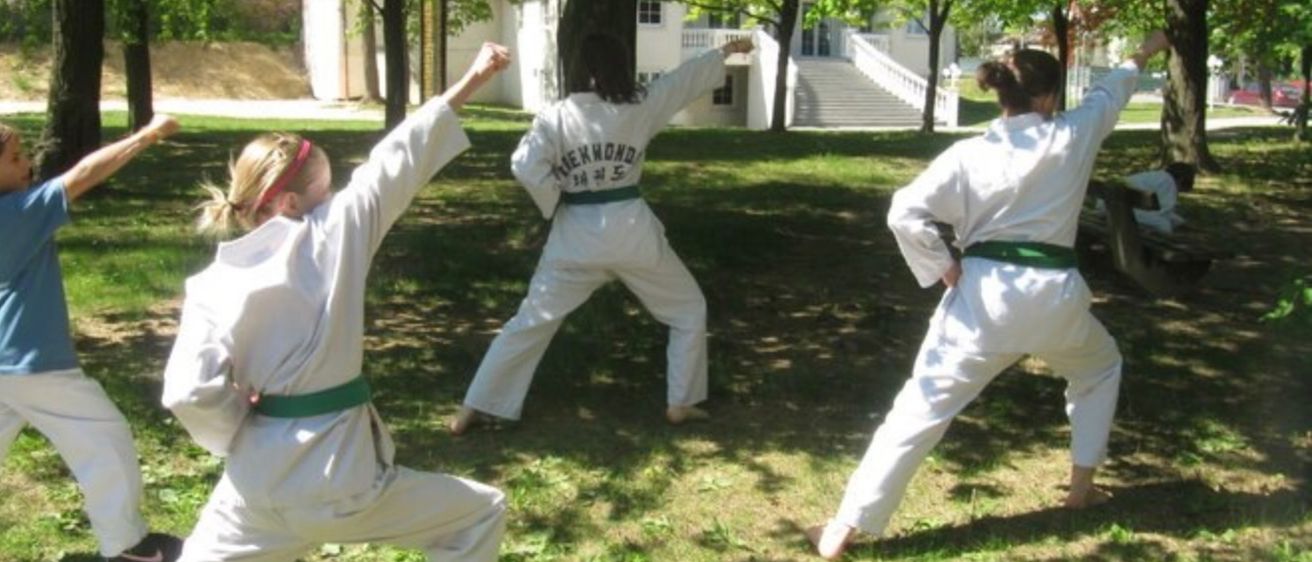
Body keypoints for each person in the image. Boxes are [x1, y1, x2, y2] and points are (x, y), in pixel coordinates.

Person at [806, 31, 1173, 559]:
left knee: (919, 409)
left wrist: (943, 267)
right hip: (1057, 301)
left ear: (1003, 94)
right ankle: (1081, 488)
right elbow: (1111, 89)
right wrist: (1147, 48)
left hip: (984, 302)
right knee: (1099, 367)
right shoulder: (1072, 135)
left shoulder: (968, 154)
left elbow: (903, 213)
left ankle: (843, 529)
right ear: (1049, 97)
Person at [161, 43, 512, 562]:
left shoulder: (211, 284)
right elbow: (399, 157)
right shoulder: (334, 232)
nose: (333, 199)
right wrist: (474, 78)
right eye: (325, 191)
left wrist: (236, 429)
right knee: (481, 512)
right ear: (289, 203)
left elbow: (188, 392)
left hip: (252, 488)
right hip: (337, 482)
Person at [449, 34, 754, 434]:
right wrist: (726, 51)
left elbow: (524, 164)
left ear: (579, 68)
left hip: (575, 239)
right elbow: (681, 81)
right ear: (621, 66)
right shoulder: (640, 105)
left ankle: (473, 408)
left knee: (530, 322)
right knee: (687, 309)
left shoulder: (556, 116)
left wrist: (555, 194)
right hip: (632, 235)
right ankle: (681, 402)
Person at [0, 116, 185, 562]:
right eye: (15, 158)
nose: (27, 164)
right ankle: (127, 546)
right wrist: (147, 135)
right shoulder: (18, 213)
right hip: (31, 365)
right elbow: (83, 175)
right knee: (104, 439)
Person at [1096, 162, 1196, 234]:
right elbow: (1164, 211)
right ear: (1181, 180)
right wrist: (1177, 223)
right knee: (1164, 225)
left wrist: (1180, 221)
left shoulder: (1156, 176)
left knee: (1158, 220)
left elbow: (1160, 209)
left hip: (1106, 205)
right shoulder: (1169, 182)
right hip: (1120, 210)